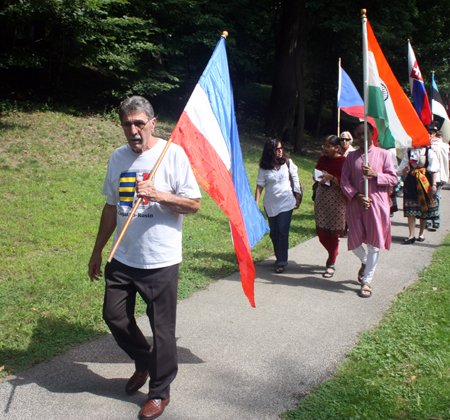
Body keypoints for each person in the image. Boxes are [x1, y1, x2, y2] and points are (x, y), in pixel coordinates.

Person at [88, 96, 201, 420]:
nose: (133, 130)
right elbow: (111, 206)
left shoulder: (173, 154)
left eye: (139, 123)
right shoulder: (118, 157)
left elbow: (193, 204)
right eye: (127, 124)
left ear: (153, 123)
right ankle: (145, 361)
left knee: (162, 329)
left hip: (160, 260)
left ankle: (159, 392)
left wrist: (158, 195)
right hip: (123, 256)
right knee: (114, 316)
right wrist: (97, 251)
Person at [340, 122, 398, 298]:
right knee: (354, 241)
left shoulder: (384, 154)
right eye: (358, 134)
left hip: (377, 205)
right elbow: (344, 181)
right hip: (356, 204)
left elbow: (394, 179)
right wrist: (356, 195)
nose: (361, 137)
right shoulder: (351, 157)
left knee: (373, 244)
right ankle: (365, 262)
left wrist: (375, 175)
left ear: (372, 134)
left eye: (365, 133)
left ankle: (367, 281)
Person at [255, 139, 301, 274]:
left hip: (287, 202)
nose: (280, 151)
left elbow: (295, 177)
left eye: (281, 148)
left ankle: (281, 261)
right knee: (274, 233)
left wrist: (297, 194)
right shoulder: (264, 167)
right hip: (270, 204)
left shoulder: (288, 162)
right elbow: (259, 186)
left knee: (282, 230)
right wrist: (255, 203)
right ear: (270, 151)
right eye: (277, 149)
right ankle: (279, 256)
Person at [398, 127, 439, 243]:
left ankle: (421, 233)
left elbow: (434, 169)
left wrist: (434, 184)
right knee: (411, 208)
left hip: (425, 181)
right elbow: (402, 168)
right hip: (411, 182)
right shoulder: (409, 151)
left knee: (423, 208)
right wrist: (404, 171)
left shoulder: (428, 152)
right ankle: (411, 235)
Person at [314, 135, 347, 278]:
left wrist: (332, 178)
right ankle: (333, 251)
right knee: (321, 233)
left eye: (329, 146)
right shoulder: (322, 158)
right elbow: (317, 172)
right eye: (324, 146)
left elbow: (346, 183)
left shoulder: (344, 162)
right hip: (322, 197)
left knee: (333, 233)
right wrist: (319, 178)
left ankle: (331, 262)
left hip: (337, 199)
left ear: (337, 147)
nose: (325, 149)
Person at [429, 125, 449, 230]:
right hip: (428, 174)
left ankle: (436, 219)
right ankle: (428, 219)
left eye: (431, 133)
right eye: (428, 132)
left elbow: (445, 161)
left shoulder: (441, 145)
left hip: (438, 175)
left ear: (435, 134)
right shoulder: (426, 145)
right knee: (427, 196)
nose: (430, 134)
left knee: (436, 197)